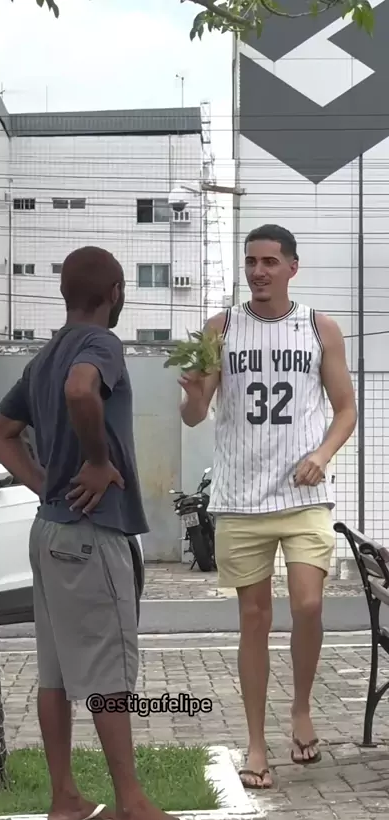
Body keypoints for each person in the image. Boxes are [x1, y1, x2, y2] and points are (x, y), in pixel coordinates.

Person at [0, 247, 203, 820]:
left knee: (55, 674)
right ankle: (132, 806)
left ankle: (65, 799)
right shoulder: (99, 344)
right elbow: (83, 392)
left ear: (64, 294)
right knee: (108, 674)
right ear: (114, 292)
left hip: (50, 531)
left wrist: (46, 486)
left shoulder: (45, 355)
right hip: (90, 533)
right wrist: (99, 461)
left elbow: (2, 433)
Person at [179, 225, 357, 790]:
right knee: (253, 619)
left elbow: (345, 409)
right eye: (251, 261)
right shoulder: (220, 328)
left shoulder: (320, 328)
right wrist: (192, 394)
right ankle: (256, 744)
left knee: (308, 603)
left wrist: (322, 455)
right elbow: (194, 415)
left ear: (292, 268)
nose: (258, 271)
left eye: (269, 262)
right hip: (240, 498)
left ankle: (301, 707)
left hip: (303, 495)